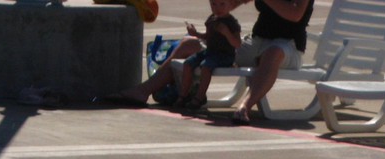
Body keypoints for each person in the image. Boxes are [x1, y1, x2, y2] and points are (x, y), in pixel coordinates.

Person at [104, 0, 313, 125]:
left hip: (288, 46)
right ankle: (143, 90)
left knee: (272, 53)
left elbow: (295, 14)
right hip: (256, 42)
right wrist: (226, 4)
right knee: (189, 43)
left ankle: (244, 107)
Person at [176, 0, 242, 111]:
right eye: (213, 4)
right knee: (188, 63)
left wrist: (227, 33)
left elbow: (237, 43)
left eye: (222, 4)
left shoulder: (232, 23)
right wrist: (195, 34)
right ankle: (184, 95)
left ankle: (200, 96)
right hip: (210, 52)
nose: (218, 8)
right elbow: (208, 36)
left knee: (205, 67)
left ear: (230, 5)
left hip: (225, 55)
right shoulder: (212, 19)